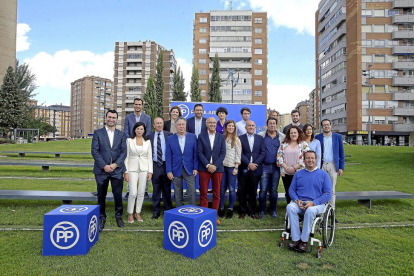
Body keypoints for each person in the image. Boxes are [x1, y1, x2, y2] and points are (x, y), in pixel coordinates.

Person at [286, 150, 332, 252]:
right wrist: (297, 200)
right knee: (290, 207)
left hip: (316, 204)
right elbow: (292, 190)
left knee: (310, 211)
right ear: (304, 160)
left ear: (316, 160)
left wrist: (313, 203)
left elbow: (328, 194)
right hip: (300, 202)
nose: (310, 160)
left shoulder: (323, 175)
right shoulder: (298, 174)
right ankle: (296, 239)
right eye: (308, 158)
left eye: (312, 158)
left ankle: (304, 241)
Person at [91, 110, 127, 231]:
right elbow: (94, 151)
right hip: (102, 171)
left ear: (117, 119)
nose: (111, 119)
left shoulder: (121, 135)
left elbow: (124, 152)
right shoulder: (98, 133)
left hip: (116, 170)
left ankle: (119, 216)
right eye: (109, 117)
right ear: (106, 118)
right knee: (101, 195)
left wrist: (115, 165)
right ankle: (101, 217)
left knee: (118, 195)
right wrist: (104, 166)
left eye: (114, 117)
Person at [197, 117, 226, 224]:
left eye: (214, 122)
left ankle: (214, 216)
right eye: (210, 122)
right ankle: (204, 216)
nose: (212, 124)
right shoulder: (201, 136)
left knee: (216, 193)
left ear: (216, 124)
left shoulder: (221, 137)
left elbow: (223, 153)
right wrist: (208, 165)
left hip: (217, 169)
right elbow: (199, 152)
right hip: (204, 168)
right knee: (203, 193)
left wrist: (215, 166)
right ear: (206, 124)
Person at [315, 119, 344, 223]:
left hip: (332, 165)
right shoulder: (318, 138)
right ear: (322, 127)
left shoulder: (337, 137)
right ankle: (320, 212)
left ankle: (331, 213)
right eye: (324, 125)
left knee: (331, 190)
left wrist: (341, 167)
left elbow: (341, 153)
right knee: (319, 190)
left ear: (331, 126)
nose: (326, 127)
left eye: (328, 125)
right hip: (321, 165)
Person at [123, 98, 152, 199]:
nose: (137, 106)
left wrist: (142, 140)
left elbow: (148, 131)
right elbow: (126, 131)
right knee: (131, 166)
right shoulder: (128, 117)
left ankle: (145, 191)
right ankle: (129, 190)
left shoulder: (147, 117)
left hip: (143, 144)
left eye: (139, 104)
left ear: (142, 106)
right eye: (136, 104)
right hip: (131, 144)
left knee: (144, 166)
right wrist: (131, 141)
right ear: (133, 105)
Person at [124, 122, 153, 223]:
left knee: (141, 192)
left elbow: (149, 157)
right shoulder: (129, 141)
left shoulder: (147, 142)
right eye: (137, 129)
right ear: (134, 130)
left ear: (144, 130)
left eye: (141, 129)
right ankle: (130, 213)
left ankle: (138, 212)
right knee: (133, 192)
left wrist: (150, 171)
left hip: (144, 169)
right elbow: (126, 157)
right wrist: (126, 172)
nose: (139, 131)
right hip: (132, 169)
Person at [166, 117, 198, 207]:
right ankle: (179, 211)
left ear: (186, 125)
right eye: (179, 124)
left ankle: (192, 210)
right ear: (175, 126)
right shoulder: (170, 139)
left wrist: (195, 168)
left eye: (183, 124)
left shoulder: (193, 137)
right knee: (177, 192)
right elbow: (168, 157)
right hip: (176, 169)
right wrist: (169, 171)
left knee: (192, 192)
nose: (181, 126)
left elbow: (195, 154)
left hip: (190, 169)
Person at [257, 117, 285, 219]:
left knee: (274, 190)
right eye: (270, 123)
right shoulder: (261, 136)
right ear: (267, 125)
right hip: (264, 166)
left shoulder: (282, 137)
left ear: (276, 125)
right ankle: (262, 211)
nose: (272, 125)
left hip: (276, 167)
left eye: (274, 123)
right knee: (263, 189)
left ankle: (273, 210)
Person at [238, 120, 265, 219]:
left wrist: (255, 164)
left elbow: (262, 153)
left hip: (256, 169)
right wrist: (248, 164)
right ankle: (243, 211)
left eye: (253, 125)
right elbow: (239, 153)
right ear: (245, 127)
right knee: (242, 191)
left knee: (253, 191)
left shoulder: (260, 138)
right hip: (244, 169)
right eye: (249, 125)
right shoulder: (240, 138)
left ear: (255, 127)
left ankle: (252, 212)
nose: (251, 127)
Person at [277, 126, 310, 204]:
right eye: (291, 133)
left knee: (299, 192)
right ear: (288, 134)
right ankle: (289, 209)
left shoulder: (303, 144)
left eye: (295, 132)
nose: (293, 134)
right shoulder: (284, 144)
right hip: (286, 173)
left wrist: (294, 168)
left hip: (299, 173)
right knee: (288, 192)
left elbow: (306, 158)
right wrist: (287, 168)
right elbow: (279, 157)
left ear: (298, 134)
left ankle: (299, 210)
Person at [148, 117, 173, 219]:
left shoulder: (169, 135)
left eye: (161, 123)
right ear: (154, 125)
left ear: (163, 124)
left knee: (167, 189)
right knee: (156, 189)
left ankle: (168, 210)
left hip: (166, 164)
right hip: (154, 165)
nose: (159, 125)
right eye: (157, 123)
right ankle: (156, 211)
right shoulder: (148, 137)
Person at [218, 120, 241, 219]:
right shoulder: (222, 138)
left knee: (232, 189)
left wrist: (236, 167)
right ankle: (221, 208)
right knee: (222, 189)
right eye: (229, 126)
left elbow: (238, 154)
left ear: (235, 128)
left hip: (232, 167)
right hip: (222, 167)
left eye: (233, 126)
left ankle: (230, 209)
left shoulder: (237, 139)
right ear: (226, 127)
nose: (231, 127)